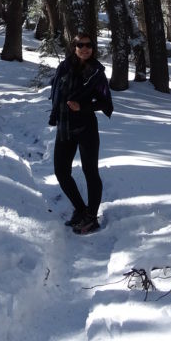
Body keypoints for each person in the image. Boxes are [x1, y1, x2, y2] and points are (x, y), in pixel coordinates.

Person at [49, 33, 113, 235]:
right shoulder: (64, 67)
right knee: (61, 170)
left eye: (89, 45)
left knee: (90, 172)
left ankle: (91, 218)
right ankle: (80, 209)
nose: (85, 48)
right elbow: (57, 93)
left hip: (86, 127)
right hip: (65, 126)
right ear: (74, 47)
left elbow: (106, 103)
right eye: (80, 45)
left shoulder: (96, 73)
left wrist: (82, 106)